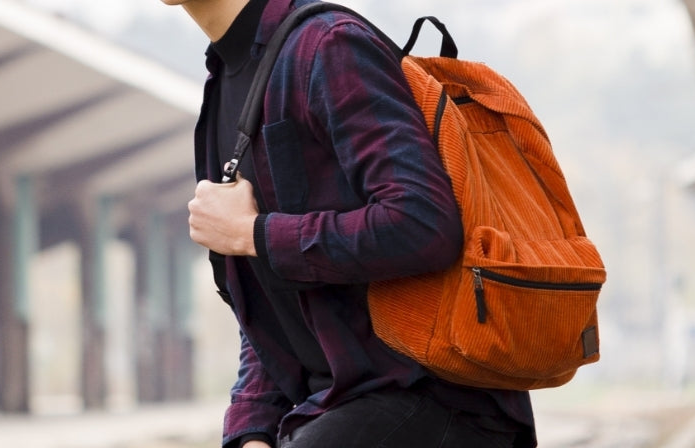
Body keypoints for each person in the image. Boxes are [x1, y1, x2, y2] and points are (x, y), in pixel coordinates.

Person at [162, 0, 538, 446]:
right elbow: (269, 307)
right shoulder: (224, 83)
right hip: (332, 405)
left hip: (429, 393)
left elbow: (423, 221)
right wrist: (252, 427)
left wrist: (253, 234)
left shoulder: (329, 45)